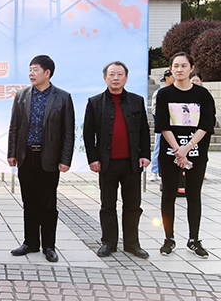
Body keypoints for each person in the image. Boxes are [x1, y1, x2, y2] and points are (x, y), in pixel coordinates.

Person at [8, 55, 74, 263]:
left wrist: (65, 159)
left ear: (47, 73)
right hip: (26, 156)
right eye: (30, 69)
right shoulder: (22, 95)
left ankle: (49, 246)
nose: (31, 73)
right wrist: (12, 153)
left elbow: (68, 132)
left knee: (48, 204)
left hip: (49, 158)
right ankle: (30, 242)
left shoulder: (62, 97)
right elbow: (14, 127)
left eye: (35, 69)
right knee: (29, 202)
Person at [83, 61, 151, 259]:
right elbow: (88, 134)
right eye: (111, 74)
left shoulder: (136, 101)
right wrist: (93, 158)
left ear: (126, 78)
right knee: (107, 205)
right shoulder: (95, 102)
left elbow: (144, 131)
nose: (116, 78)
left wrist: (145, 154)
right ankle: (108, 243)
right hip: (107, 163)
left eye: (120, 74)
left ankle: (132, 244)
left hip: (132, 163)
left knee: (133, 206)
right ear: (105, 78)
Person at [155, 52, 216, 258]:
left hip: (195, 154)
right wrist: (178, 150)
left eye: (183, 65)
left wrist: (187, 148)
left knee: (194, 195)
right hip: (170, 154)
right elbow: (163, 125)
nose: (179, 69)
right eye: (175, 66)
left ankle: (194, 239)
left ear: (191, 68)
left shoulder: (203, 95)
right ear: (171, 69)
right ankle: (169, 238)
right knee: (168, 195)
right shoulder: (164, 94)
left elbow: (206, 125)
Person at [149, 70, 175, 182]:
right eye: (172, 75)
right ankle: (154, 171)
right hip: (162, 125)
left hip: (174, 125)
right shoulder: (159, 92)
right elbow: (154, 109)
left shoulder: (175, 91)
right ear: (167, 77)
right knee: (158, 148)